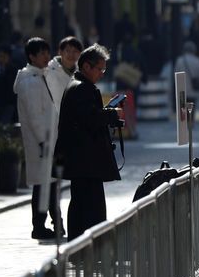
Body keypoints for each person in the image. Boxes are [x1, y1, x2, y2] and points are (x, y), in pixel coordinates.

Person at [53, 45, 122, 240]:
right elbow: (90, 119)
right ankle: (90, 245)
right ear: (86, 66)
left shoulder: (77, 85)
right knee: (90, 205)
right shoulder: (82, 88)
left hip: (82, 160)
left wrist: (107, 113)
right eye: (99, 69)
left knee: (82, 203)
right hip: (85, 160)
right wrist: (111, 114)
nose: (101, 73)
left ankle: (81, 244)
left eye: (103, 69)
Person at [13, 38, 60, 240]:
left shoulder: (41, 76)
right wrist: (43, 141)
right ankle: (40, 226)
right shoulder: (30, 81)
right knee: (43, 186)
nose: (46, 57)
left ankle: (55, 223)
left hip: (49, 139)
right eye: (42, 53)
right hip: (42, 141)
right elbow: (35, 117)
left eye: (47, 53)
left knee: (49, 184)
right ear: (31, 56)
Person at [46, 36, 84, 158]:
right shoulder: (48, 71)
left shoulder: (83, 73)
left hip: (75, 124)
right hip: (52, 122)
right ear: (60, 52)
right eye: (68, 50)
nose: (71, 55)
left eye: (75, 51)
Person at [174, 41, 199, 107]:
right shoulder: (198, 61)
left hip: (181, 89)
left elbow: (176, 74)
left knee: (182, 113)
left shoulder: (179, 60)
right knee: (191, 111)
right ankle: (190, 117)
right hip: (193, 90)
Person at [0, 44, 16, 123]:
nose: (2, 58)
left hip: (7, 104)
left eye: (5, 56)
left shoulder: (12, 70)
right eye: (1, 56)